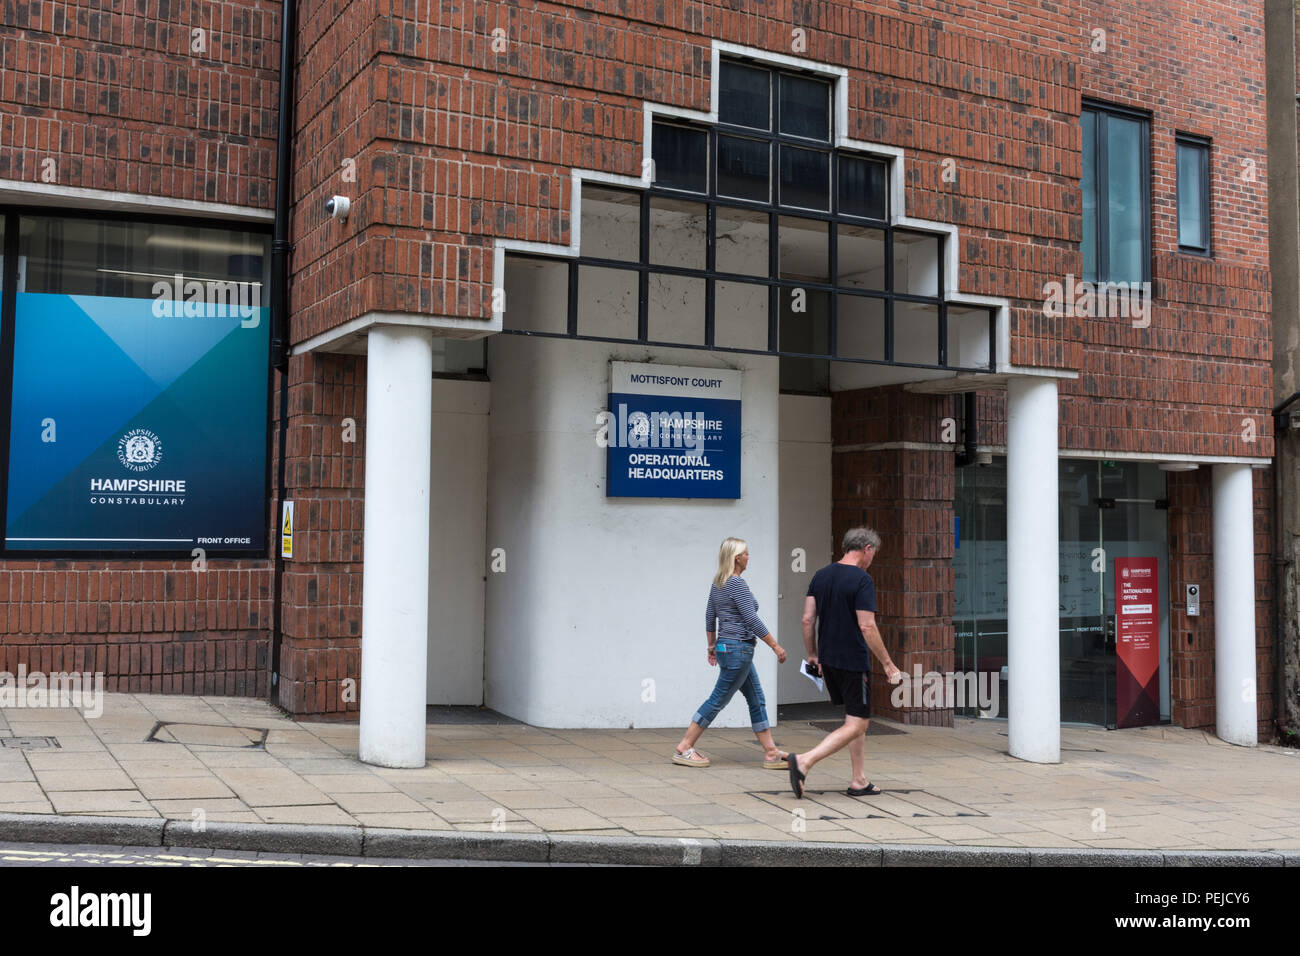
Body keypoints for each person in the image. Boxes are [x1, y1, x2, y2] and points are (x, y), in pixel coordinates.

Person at [788, 526, 901, 798]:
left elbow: (806, 619)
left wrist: (813, 654)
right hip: (853, 660)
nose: (872, 559)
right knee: (859, 723)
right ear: (867, 550)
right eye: (874, 554)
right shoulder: (862, 580)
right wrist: (888, 664)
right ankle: (805, 761)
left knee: (853, 717)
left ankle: (858, 779)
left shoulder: (821, 575)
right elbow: (867, 627)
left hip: (828, 659)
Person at [673, 537, 788, 768]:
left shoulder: (718, 583)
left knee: (757, 698)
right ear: (737, 558)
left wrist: (712, 646)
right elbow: (751, 619)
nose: (748, 557)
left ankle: (771, 752)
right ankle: (685, 747)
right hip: (739, 649)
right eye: (746, 553)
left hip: (728, 647)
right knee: (718, 699)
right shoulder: (737, 584)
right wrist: (775, 645)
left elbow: (709, 617)